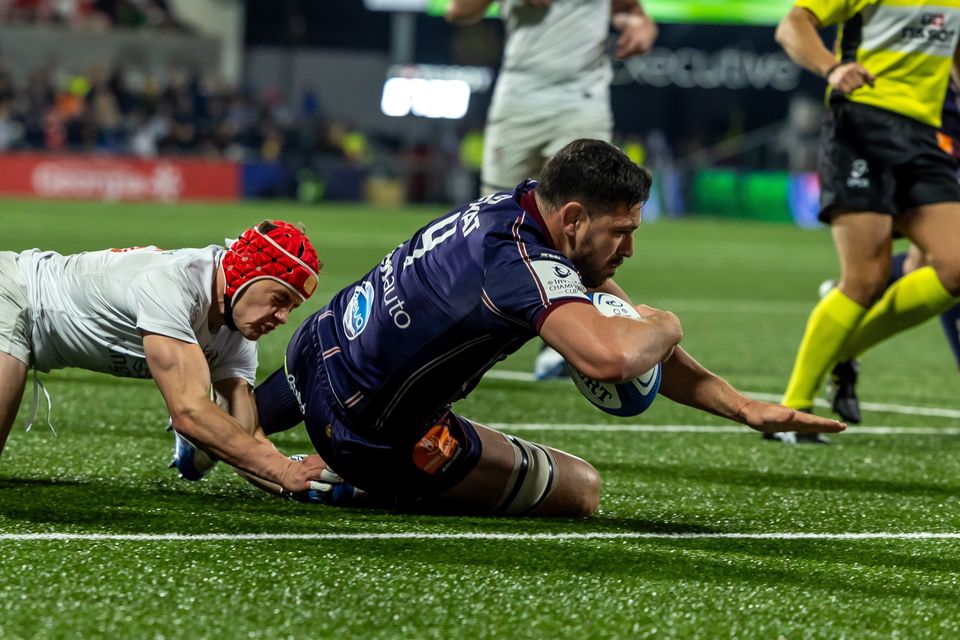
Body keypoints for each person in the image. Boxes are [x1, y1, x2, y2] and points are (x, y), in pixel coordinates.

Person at [232, 139, 843, 517]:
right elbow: (612, 359)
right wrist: (670, 323)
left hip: (320, 344)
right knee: (580, 489)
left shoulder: (524, 206)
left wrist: (742, 408)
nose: (628, 249)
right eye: (623, 231)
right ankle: (341, 480)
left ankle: (225, 430)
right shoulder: (526, 267)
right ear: (575, 217)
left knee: (306, 390)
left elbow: (621, 327)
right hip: (372, 433)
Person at [0, 220, 330, 495]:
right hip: (14, 294)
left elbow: (244, 440)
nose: (284, 317)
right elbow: (188, 411)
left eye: (292, 307)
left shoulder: (237, 332)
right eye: (279, 298)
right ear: (246, 273)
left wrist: (306, 481)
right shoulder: (173, 282)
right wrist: (283, 469)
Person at [772, 1, 960, 443]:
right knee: (865, 279)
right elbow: (792, 25)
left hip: (925, 137)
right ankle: (792, 409)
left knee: (954, 265)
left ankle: (843, 351)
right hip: (862, 124)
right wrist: (832, 68)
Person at [445, 0, 658, 380]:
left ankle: (564, 345)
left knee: (587, 217)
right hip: (520, 90)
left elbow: (628, 9)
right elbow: (457, 12)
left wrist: (639, 25)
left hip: (583, 95)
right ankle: (470, 331)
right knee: (491, 212)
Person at [827, 76, 960, 423]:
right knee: (943, 260)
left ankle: (848, 322)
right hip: (922, 131)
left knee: (931, 263)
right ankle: (850, 311)